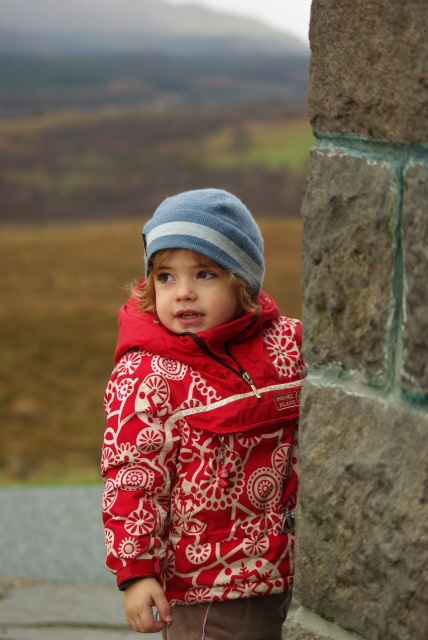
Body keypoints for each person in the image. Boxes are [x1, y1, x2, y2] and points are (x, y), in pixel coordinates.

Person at [101, 188, 306, 639]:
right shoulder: (148, 374)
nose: (184, 292)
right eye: (166, 277)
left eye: (205, 274)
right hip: (206, 592)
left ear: (242, 279)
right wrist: (136, 573)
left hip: (294, 573)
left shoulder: (289, 344)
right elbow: (133, 477)